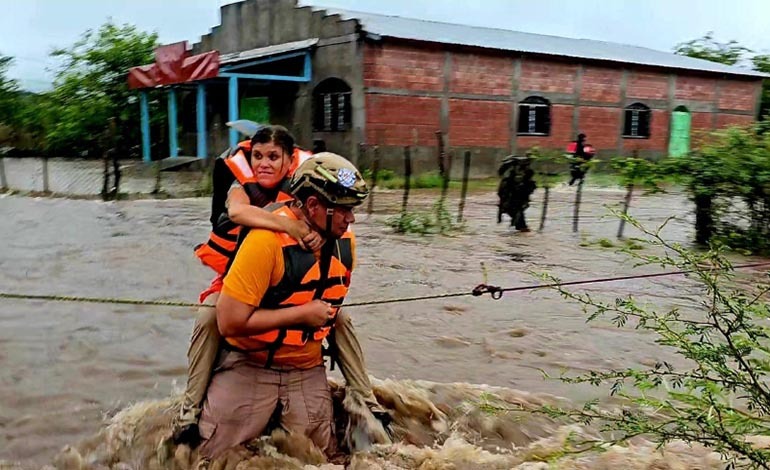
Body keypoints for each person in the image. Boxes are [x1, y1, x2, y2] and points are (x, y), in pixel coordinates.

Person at [174, 125, 386, 448]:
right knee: (208, 315)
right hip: (236, 277)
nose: (264, 164)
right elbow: (237, 212)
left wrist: (312, 233)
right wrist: (291, 226)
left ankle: (367, 401)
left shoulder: (305, 192)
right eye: (257, 156)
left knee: (340, 318)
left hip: (297, 332)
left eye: (273, 157)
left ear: (289, 161)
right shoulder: (242, 189)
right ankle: (189, 412)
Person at [497, 155, 536, 232]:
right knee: (514, 210)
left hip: (518, 196)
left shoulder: (527, 173)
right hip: (512, 196)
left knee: (517, 210)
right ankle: (520, 227)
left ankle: (520, 227)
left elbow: (529, 186)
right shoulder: (509, 174)